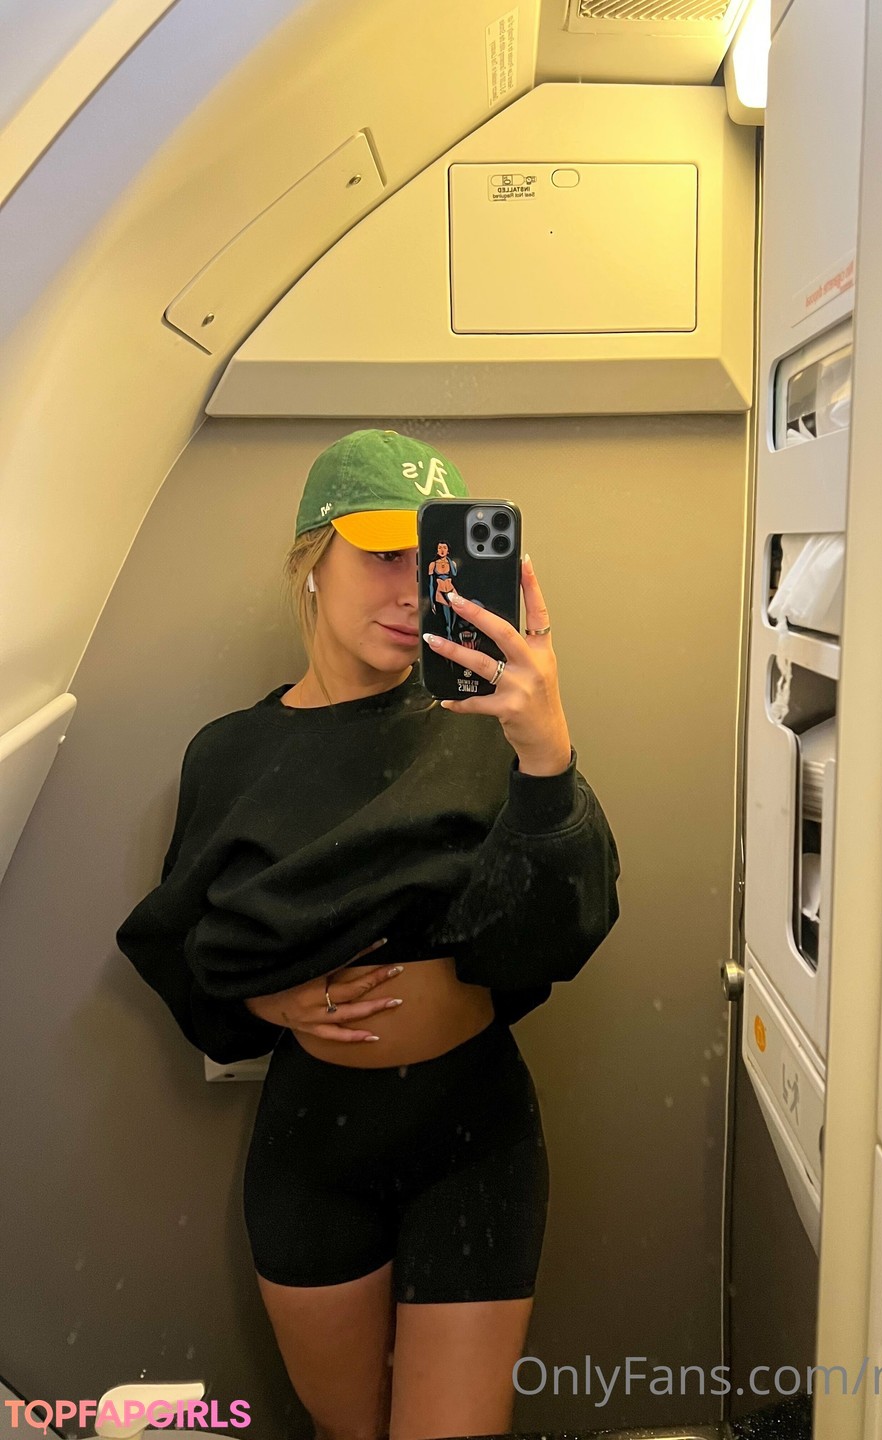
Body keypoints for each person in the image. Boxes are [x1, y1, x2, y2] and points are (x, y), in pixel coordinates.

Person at [115, 428, 621, 1440]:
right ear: (313, 561)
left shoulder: (493, 725)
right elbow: (186, 947)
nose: (412, 589)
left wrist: (547, 753)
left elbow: (560, 932)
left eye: (433, 560)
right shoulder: (232, 753)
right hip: (315, 1147)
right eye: (383, 554)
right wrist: (264, 1000)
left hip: (474, 1134)